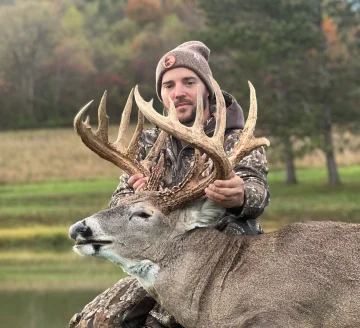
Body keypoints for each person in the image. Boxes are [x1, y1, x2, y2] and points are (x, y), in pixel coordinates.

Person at [106, 41, 270, 328]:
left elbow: (258, 192)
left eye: (189, 82)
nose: (178, 92)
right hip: (163, 260)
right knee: (99, 318)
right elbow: (116, 206)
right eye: (168, 86)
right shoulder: (146, 144)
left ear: (207, 88)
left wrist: (240, 195)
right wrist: (134, 197)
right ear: (161, 95)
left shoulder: (235, 140)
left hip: (222, 263)